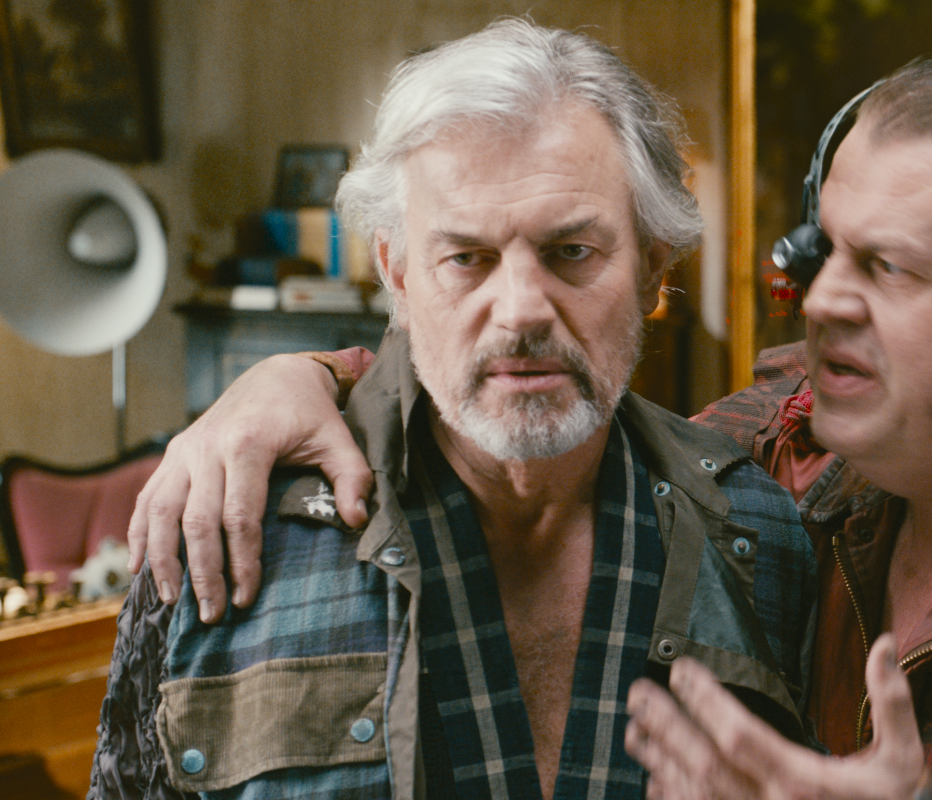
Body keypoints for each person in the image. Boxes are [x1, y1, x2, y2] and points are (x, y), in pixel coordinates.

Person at [125, 55, 932, 799]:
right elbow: (526, 386)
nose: (823, 299)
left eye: (890, 268)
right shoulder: (790, 445)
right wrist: (299, 377)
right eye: (823, 249)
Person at [90, 19, 814, 799]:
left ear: (651, 269)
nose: (521, 310)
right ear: (397, 273)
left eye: (572, 251)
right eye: (467, 257)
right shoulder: (225, 522)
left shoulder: (759, 534)